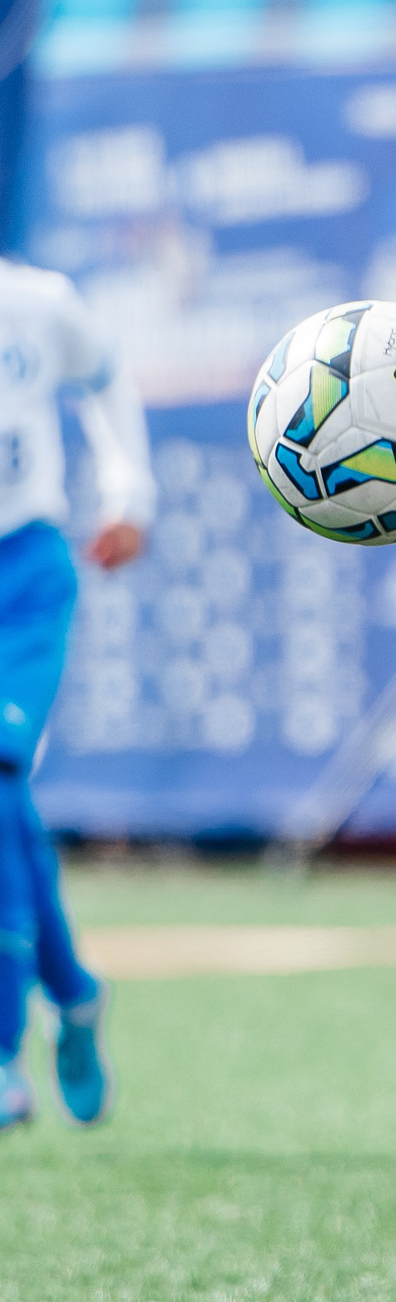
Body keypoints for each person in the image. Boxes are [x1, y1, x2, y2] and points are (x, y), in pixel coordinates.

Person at [0, 261, 151, 1131]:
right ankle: (76, 990)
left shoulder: (37, 303)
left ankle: (1, 1055)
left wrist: (131, 490)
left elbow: (105, 376)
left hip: (22, 576)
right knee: (3, 802)